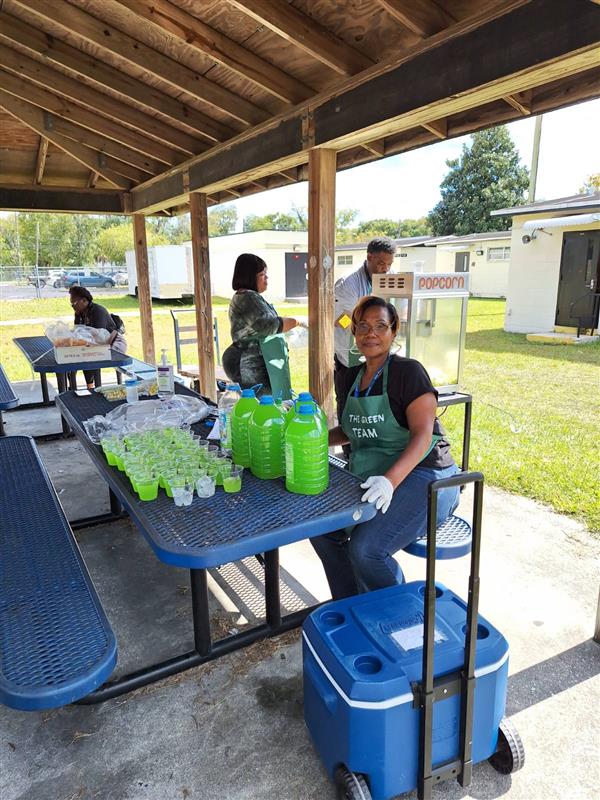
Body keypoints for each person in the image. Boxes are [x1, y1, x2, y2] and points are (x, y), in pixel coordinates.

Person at [311, 295, 460, 599]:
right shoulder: (351, 378)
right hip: (377, 473)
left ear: (394, 331)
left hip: (427, 475)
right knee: (322, 530)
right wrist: (312, 441)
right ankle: (351, 605)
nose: (371, 333)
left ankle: (397, 613)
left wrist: (389, 481)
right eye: (363, 326)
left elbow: (421, 434)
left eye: (381, 326)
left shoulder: (409, 372)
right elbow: (351, 431)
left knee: (367, 550)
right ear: (354, 332)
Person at [334, 236, 396, 424]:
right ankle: (349, 449)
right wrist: (361, 324)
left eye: (389, 264)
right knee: (349, 402)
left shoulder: (391, 276)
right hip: (350, 354)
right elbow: (339, 320)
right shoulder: (348, 284)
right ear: (369, 257)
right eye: (381, 263)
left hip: (381, 353)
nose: (385, 269)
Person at [222, 253, 301, 398]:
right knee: (261, 407)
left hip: (251, 361)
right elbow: (269, 326)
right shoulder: (247, 297)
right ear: (250, 276)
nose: (266, 278)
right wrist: (298, 321)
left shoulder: (248, 296)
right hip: (248, 365)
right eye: (262, 274)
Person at [69, 285, 127, 390]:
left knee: (89, 356)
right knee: (73, 357)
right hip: (100, 345)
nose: (73, 306)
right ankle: (84, 388)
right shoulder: (80, 314)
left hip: (114, 344)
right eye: (71, 304)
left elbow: (99, 337)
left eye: (74, 303)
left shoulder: (97, 311)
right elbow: (78, 332)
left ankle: (95, 389)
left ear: (84, 300)